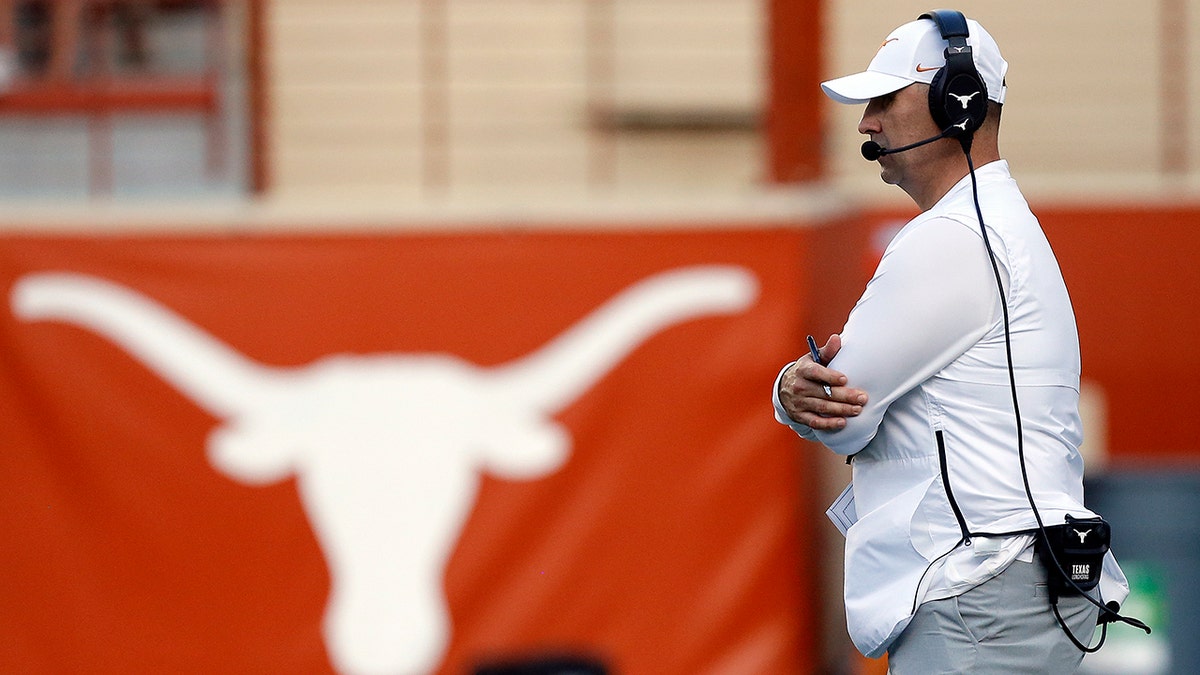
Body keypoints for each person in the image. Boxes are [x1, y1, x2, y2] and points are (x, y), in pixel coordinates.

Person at [772, 11, 1132, 674]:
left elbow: (841, 417)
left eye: (885, 99)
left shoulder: (956, 236)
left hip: (980, 593)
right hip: (1007, 589)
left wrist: (790, 389)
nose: (866, 122)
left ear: (956, 102)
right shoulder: (992, 225)